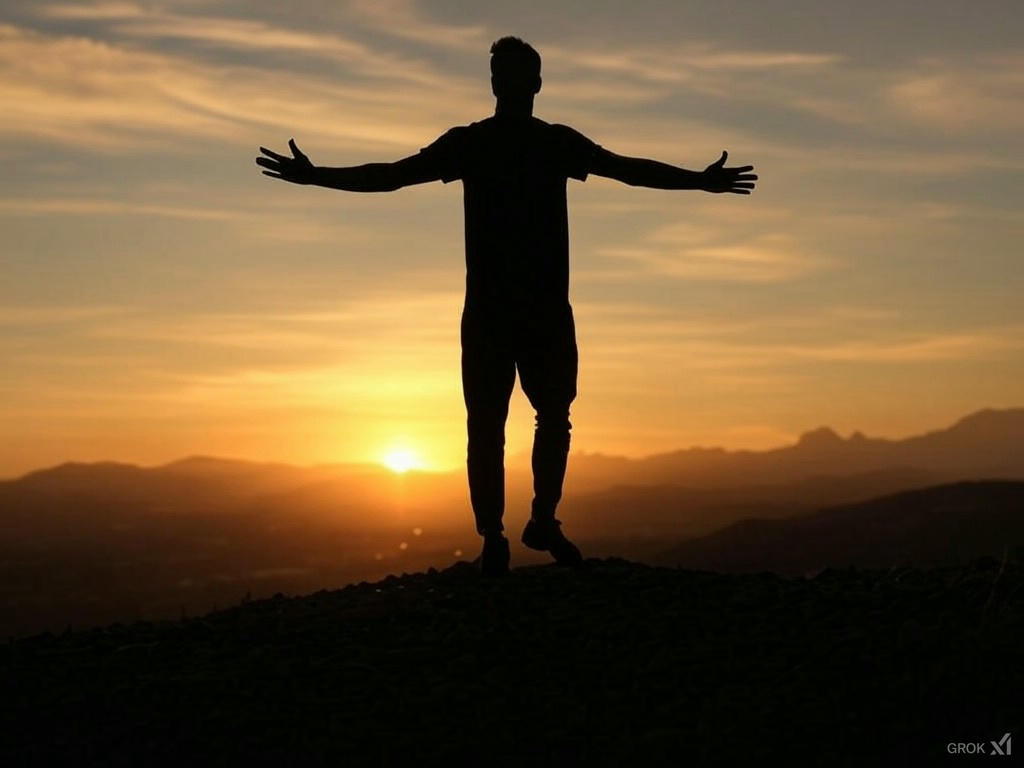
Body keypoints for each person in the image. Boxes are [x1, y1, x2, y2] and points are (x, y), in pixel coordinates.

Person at [256, 36, 757, 576]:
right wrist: (319, 175)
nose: (512, 84)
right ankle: (504, 533)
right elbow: (395, 175)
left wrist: (699, 182)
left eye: (515, 75)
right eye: (508, 75)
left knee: (528, 420)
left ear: (524, 83)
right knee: (513, 422)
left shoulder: (518, 143)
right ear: (507, 83)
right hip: (509, 312)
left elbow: (625, 168)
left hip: (524, 311)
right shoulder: (501, 143)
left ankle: (527, 526)